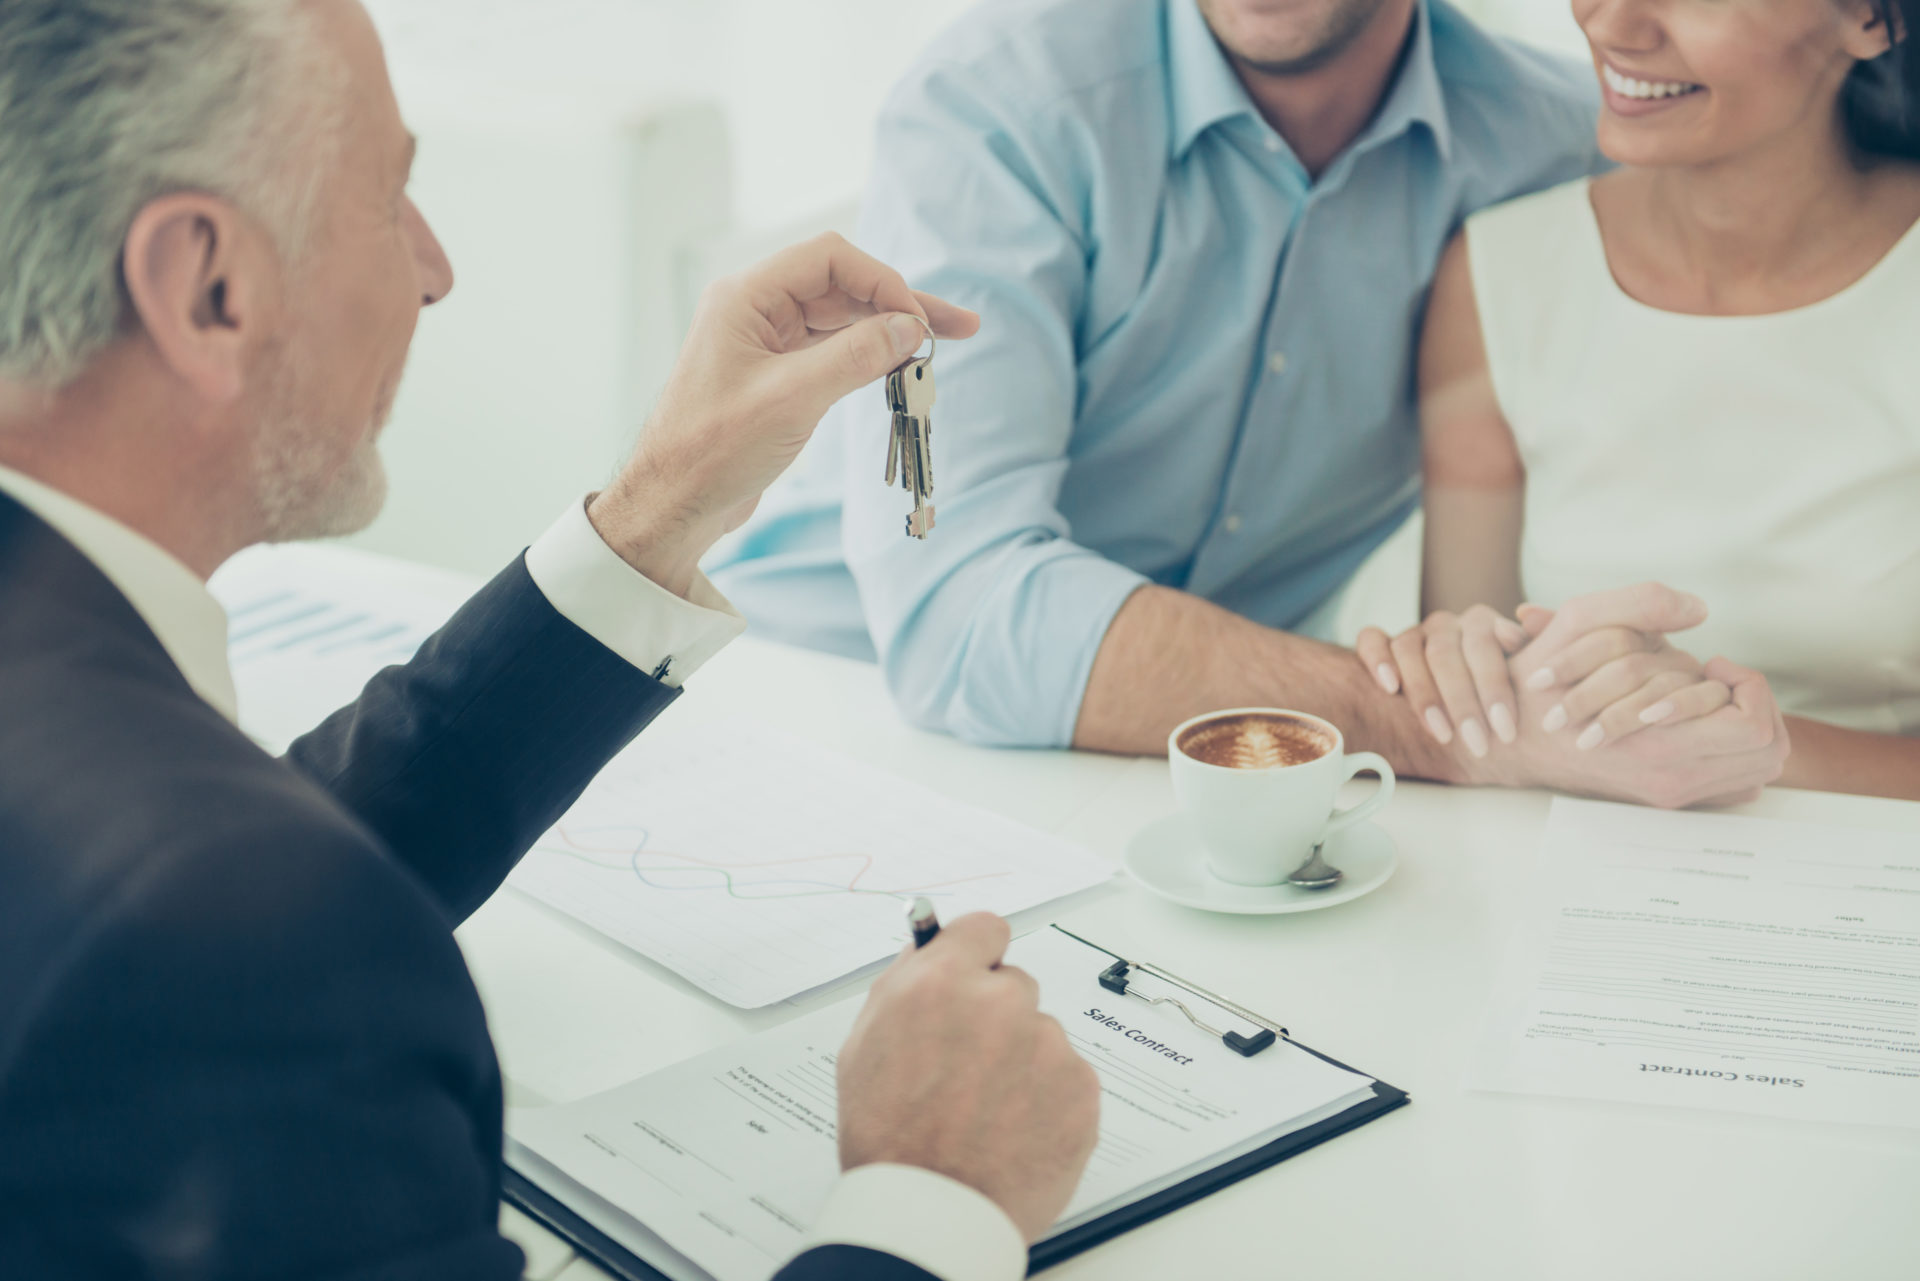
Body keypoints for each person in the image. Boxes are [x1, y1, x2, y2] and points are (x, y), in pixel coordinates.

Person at [0, 2, 1099, 1277]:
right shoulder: (243, 941)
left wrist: (658, 511)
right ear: (209, 286)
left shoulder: (146, 846)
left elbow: (201, 887)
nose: (434, 267)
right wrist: (931, 1195)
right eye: (388, 196)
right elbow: (225, 923)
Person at [1358, 0, 1920, 803]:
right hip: (1568, 882)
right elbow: (1479, 713)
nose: (1613, 24)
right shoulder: (1499, 275)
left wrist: (1736, 744)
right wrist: (1458, 670)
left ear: (1873, 19)